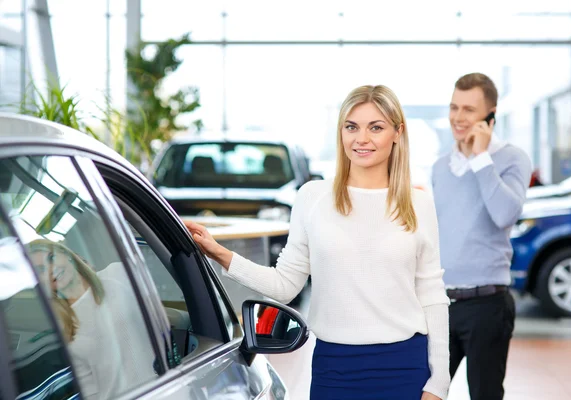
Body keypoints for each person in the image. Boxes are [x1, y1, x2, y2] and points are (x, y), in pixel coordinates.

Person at [185, 85, 450, 400]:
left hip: (404, 366)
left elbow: (432, 294)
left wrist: (439, 382)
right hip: (335, 368)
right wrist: (220, 255)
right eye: (351, 127)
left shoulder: (418, 204)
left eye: (375, 128)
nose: (361, 138)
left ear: (397, 132)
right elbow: (285, 284)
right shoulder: (313, 197)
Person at [431, 73, 532, 400]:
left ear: (490, 117)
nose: (458, 118)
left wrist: (480, 158)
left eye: (469, 110)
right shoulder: (440, 167)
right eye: (454, 107)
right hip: (441, 304)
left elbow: (505, 215)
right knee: (425, 391)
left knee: (485, 395)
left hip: (487, 304)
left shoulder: (512, 159)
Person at [27, 239, 157, 400]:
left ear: (67, 255)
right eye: (40, 270)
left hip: (165, 389)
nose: (51, 270)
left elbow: (169, 259)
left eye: (51, 258)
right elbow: (89, 390)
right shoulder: (64, 329)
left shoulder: (118, 274)